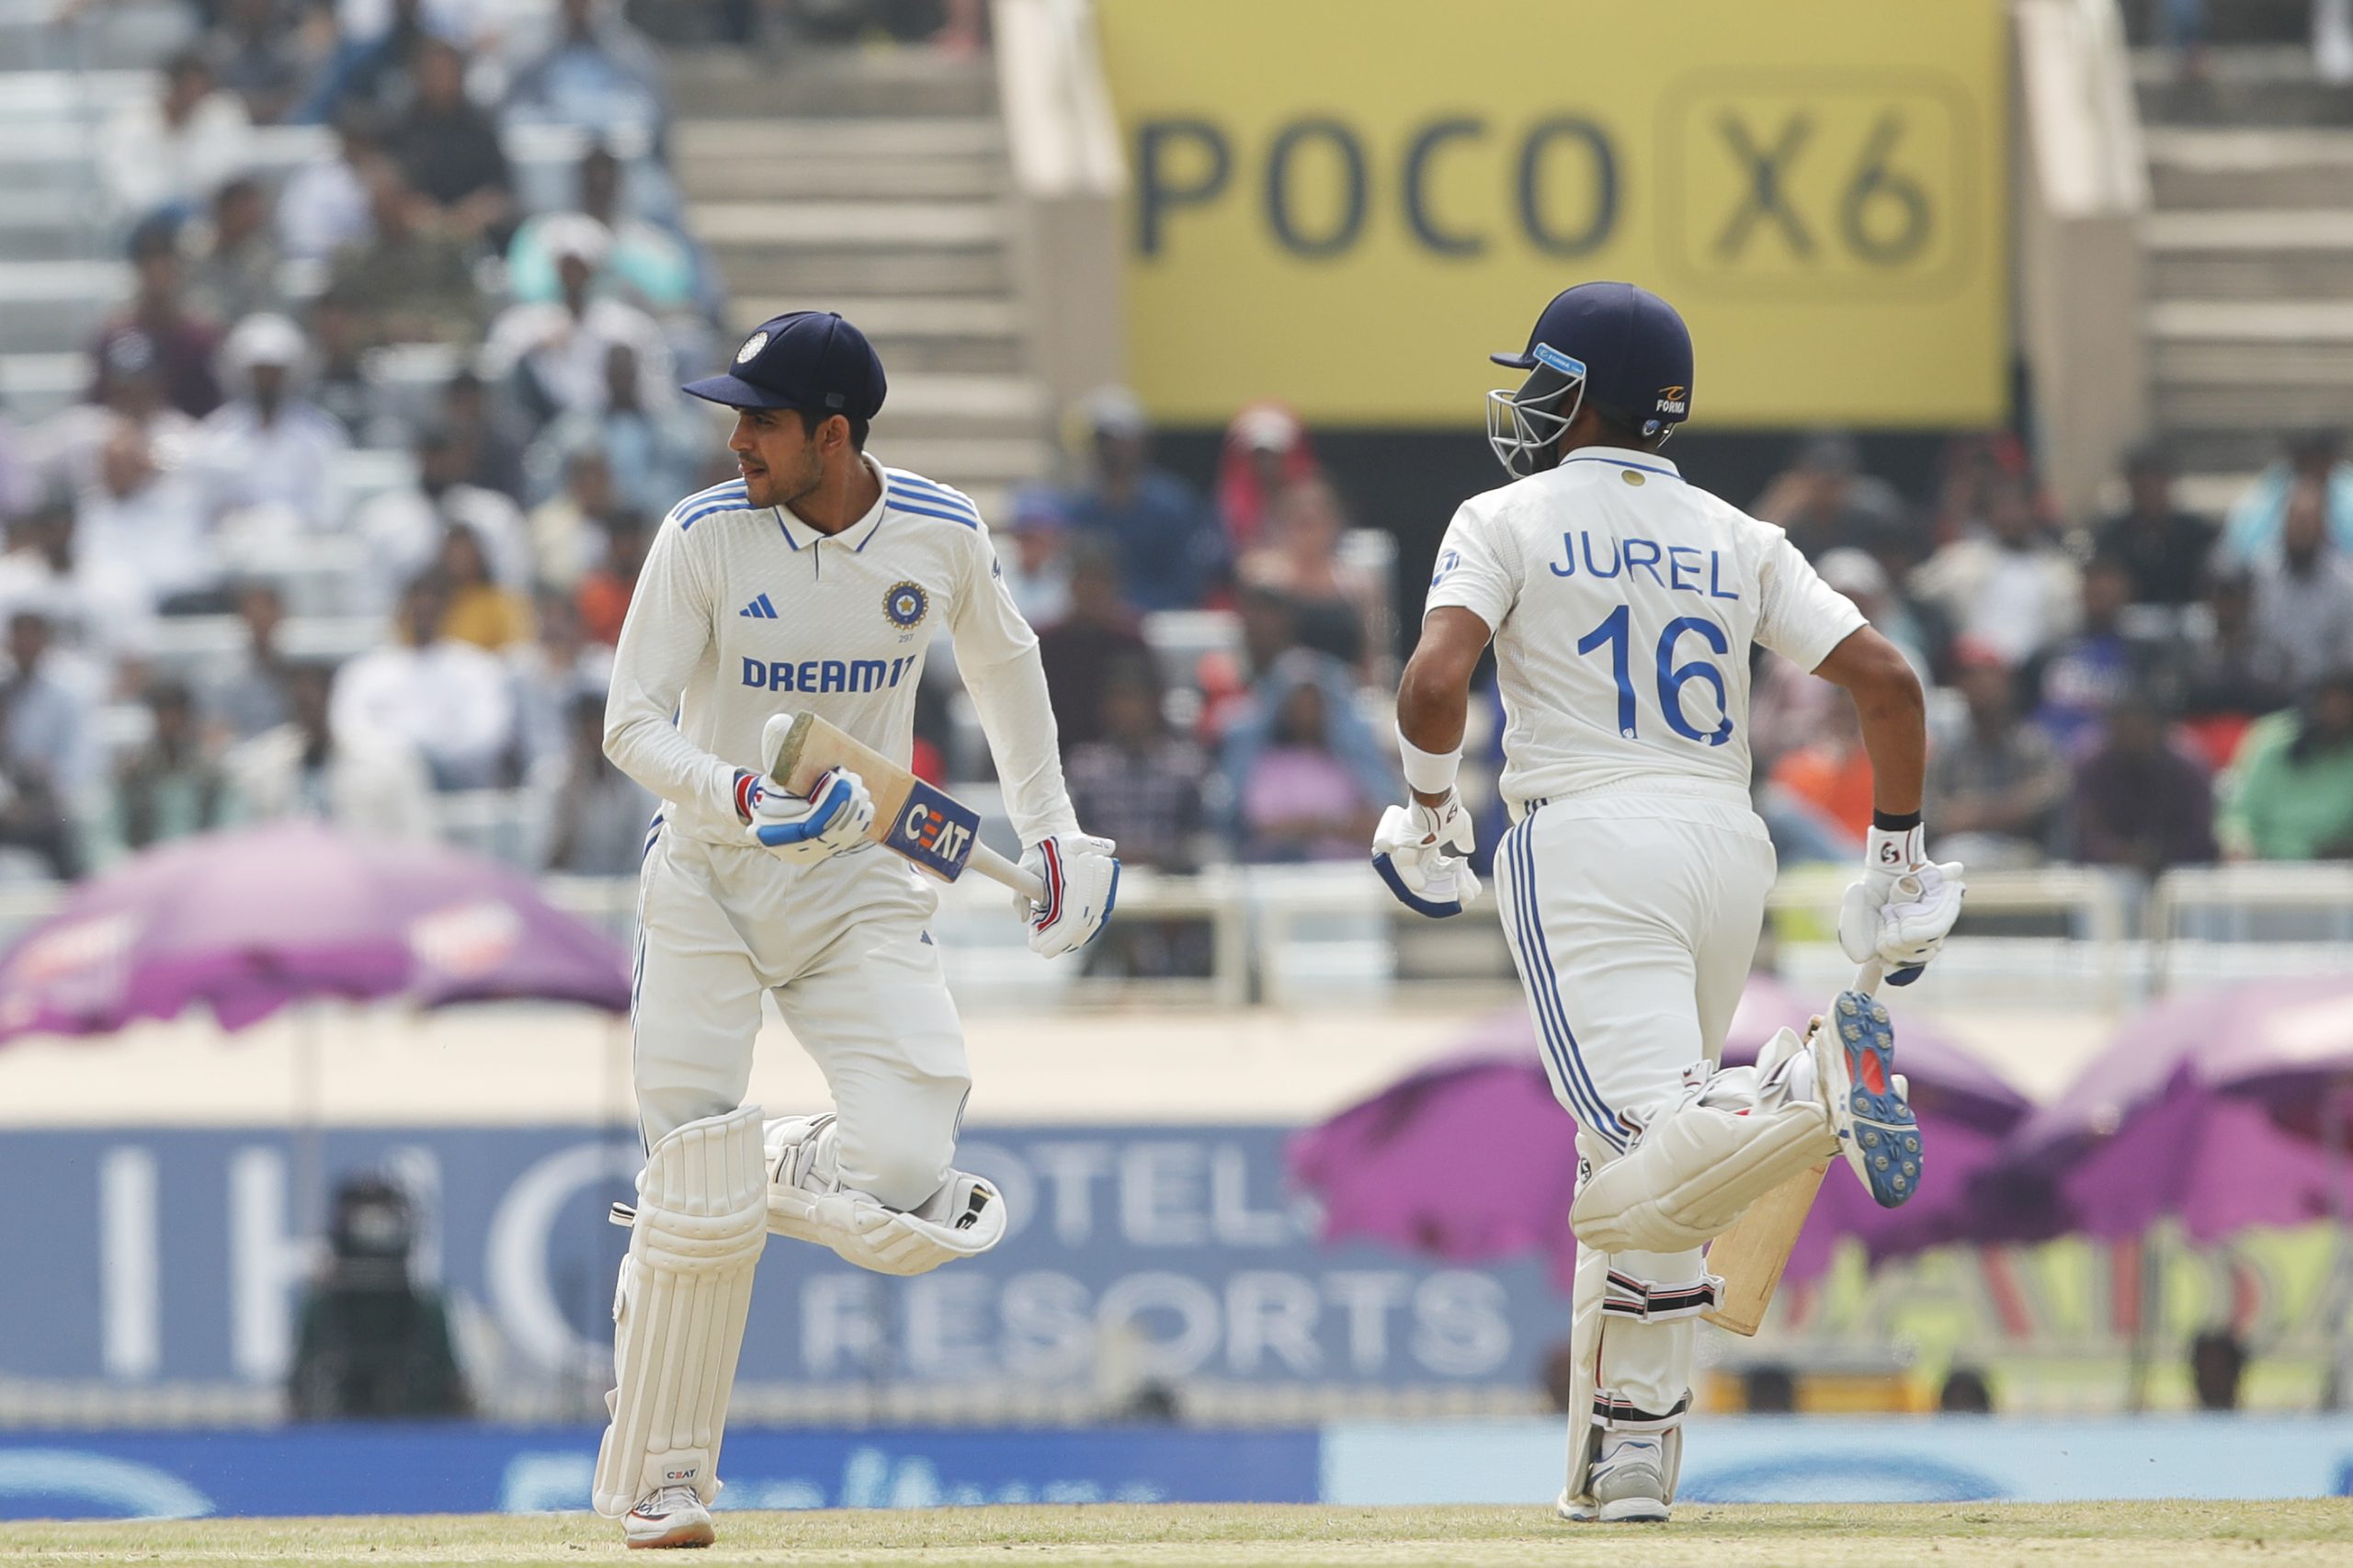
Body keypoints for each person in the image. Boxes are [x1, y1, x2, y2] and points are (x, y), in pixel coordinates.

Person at [1378, 282, 1962, 1524]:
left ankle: (1798, 1092)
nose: (1529, 402)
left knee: (1635, 1159)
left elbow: (1436, 684)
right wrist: (1899, 863)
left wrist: (1431, 811)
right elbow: (1893, 685)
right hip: (1726, 843)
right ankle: (1629, 1455)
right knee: (1649, 1164)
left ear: (1584, 394)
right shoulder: (1739, 532)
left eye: (1544, 380)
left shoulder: (1506, 512)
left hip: (1589, 838)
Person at [592, 311, 1118, 1550]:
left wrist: (1051, 832)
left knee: (900, 1160)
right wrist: (735, 796)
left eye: (761, 421)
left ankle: (760, 1166)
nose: (735, 441)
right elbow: (629, 721)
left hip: (862, 876)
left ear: (834, 434)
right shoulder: (704, 535)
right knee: (688, 1187)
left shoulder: (938, 528)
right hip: (713, 877)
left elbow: (1004, 665)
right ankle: (665, 1479)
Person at [288, 1176, 470, 1419]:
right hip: (338, 1437)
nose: (373, 1225)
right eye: (363, 1215)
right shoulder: (322, 1309)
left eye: (381, 1215)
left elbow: (453, 1387)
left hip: (417, 1435)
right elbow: (297, 1394)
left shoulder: (427, 1308)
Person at [330, 574, 517, 789]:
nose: (423, 618)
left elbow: (489, 734)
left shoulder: (478, 669)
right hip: (386, 784)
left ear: (446, 613)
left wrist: (435, 755)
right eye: (417, 610)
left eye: (430, 611)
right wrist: (403, 757)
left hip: (459, 780)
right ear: (402, 611)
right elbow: (349, 730)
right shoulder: (364, 673)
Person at [481, 216, 672, 426]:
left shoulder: (628, 325)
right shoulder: (522, 324)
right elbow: (496, 374)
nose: (572, 275)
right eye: (566, 266)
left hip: (612, 426)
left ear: (593, 268)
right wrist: (536, 347)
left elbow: (657, 393)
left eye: (579, 266)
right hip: (544, 428)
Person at [229, 661, 438, 835]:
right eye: (301, 705)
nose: (310, 714)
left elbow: (417, 833)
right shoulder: (267, 764)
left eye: (315, 703)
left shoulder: (387, 761)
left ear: (332, 699)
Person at [1065, 386, 1222, 612]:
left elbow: (1187, 578)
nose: (1112, 449)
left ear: (1140, 442)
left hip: (1163, 622)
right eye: (1104, 440)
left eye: (1120, 440)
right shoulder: (1082, 509)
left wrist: (1135, 611)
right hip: (1099, 623)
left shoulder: (1172, 504)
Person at [190, 312, 349, 534]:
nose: (266, 380)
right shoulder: (218, 432)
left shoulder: (320, 433)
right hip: (230, 553)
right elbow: (202, 500)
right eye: (259, 371)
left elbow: (330, 502)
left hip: (302, 549)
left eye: (274, 372)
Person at [1908, 473, 2079, 669]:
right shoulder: (1961, 561)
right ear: (1990, 514)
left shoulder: (2058, 571)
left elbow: (2067, 628)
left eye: (2018, 506)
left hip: (2033, 672)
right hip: (1972, 666)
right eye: (2003, 506)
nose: (2011, 514)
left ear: (2032, 510)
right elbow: (1915, 588)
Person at [1925, 642, 2069, 869]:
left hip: (2025, 851)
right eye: (1969, 678)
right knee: (1953, 857)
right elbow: (1932, 813)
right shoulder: (1949, 753)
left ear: (2006, 683)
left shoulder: (2035, 745)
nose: (1979, 686)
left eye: (1987, 676)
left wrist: (1977, 813)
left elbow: (2048, 795)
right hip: (1958, 854)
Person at [97, 47, 255, 222]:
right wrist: (164, 210)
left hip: (208, 219)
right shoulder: (130, 120)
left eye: (199, 91)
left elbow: (228, 175)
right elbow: (123, 181)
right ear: (170, 86)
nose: (191, 97)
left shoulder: (223, 115)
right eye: (186, 89)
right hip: (142, 222)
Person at [91, 220, 225, 421]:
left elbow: (213, 407)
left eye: (166, 269)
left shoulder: (200, 337)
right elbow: (100, 403)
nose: (159, 279)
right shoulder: (115, 335)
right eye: (151, 269)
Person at [2069, 694, 2216, 875]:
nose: (2133, 737)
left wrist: (2159, 857)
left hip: (2181, 868)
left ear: (2160, 728)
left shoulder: (2187, 768)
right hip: (2110, 870)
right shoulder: (2093, 767)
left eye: (2141, 729)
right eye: (2125, 729)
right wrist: (2124, 856)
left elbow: (2200, 834)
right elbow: (2087, 835)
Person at [2216, 669, 2353, 861]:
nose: (2337, 713)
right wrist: (2239, 846)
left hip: (2340, 874)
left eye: (2345, 706)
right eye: (2330, 704)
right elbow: (2237, 815)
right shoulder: (2272, 739)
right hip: (2269, 868)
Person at [390, 38, 513, 244]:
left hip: (475, 231)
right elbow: (394, 188)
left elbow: (498, 190)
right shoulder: (401, 128)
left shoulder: (480, 127)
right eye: (434, 72)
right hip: (418, 236)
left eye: (448, 71)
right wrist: (426, 216)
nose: (442, 78)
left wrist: (464, 217)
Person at [99, 679, 236, 862]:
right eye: (163, 716)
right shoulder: (134, 774)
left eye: (177, 717)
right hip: (145, 869)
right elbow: (113, 831)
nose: (170, 724)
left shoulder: (212, 774)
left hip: (202, 867)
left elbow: (227, 828)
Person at [1035, 540, 1151, 754]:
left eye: (1099, 580)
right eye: (1084, 580)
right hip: (1055, 755)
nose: (1091, 590)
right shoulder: (1045, 643)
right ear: (1070, 584)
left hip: (1119, 759)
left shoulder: (1131, 641)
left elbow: (1147, 711)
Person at [2248, 482, 2353, 695]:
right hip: (2266, 690)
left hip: (2326, 693)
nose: (2301, 532)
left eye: (2308, 523)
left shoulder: (2344, 582)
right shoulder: (2261, 574)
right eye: (2295, 522)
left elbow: (2347, 653)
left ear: (2322, 527)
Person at [540, 689, 656, 873]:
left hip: (621, 886)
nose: (592, 741)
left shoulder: (632, 783)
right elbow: (548, 858)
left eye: (596, 731)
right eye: (585, 733)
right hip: (571, 885)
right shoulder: (554, 780)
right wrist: (570, 800)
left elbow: (640, 851)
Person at [2094, 442, 2214, 608]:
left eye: (2156, 482)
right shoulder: (2112, 537)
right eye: (2142, 486)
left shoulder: (2197, 534)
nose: (2149, 491)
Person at [182, 176, 288, 326]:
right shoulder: (193, 247)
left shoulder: (261, 258)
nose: (254, 218)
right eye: (244, 211)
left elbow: (262, 305)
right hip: (197, 330)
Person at [436, 523, 533, 650]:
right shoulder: (433, 605)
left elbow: (516, 651)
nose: (459, 558)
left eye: (465, 551)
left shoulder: (503, 604)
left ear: (480, 554)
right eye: (453, 551)